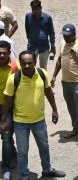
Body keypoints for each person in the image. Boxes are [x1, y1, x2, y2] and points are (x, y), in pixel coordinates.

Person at [0, 51, 66, 180]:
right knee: (22, 152)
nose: (27, 66)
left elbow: (49, 92)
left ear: (35, 62)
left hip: (39, 120)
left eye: (30, 63)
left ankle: (47, 170)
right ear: (20, 63)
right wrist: (3, 120)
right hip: (20, 122)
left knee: (44, 146)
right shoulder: (13, 78)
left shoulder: (42, 74)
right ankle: (24, 176)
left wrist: (55, 109)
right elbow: (7, 100)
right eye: (24, 63)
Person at [51, 24, 78, 146]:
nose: (66, 37)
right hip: (66, 82)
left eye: (68, 35)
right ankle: (75, 128)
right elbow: (59, 60)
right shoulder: (63, 43)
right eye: (64, 35)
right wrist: (54, 76)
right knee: (71, 107)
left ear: (74, 34)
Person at [0, 41, 18, 180]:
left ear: (9, 51)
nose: (1, 55)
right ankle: (13, 155)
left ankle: (5, 168)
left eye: (4, 53)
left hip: (8, 107)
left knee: (6, 137)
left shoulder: (15, 67)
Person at [25, 0, 56, 69]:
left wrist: (53, 45)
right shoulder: (28, 16)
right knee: (30, 67)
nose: (34, 11)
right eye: (33, 9)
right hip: (32, 46)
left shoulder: (47, 18)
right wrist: (30, 39)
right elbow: (27, 29)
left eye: (36, 9)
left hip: (44, 47)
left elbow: (51, 32)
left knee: (43, 68)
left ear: (40, 8)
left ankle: (43, 80)